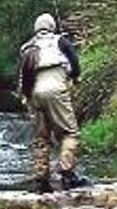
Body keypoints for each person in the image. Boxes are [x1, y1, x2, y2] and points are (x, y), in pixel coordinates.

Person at [19, 13, 90, 193]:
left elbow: (23, 77)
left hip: (34, 93)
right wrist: (75, 78)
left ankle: (41, 179)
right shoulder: (61, 41)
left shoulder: (27, 48)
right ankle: (67, 174)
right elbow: (74, 63)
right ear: (52, 27)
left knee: (41, 138)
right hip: (56, 89)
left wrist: (27, 98)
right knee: (69, 132)